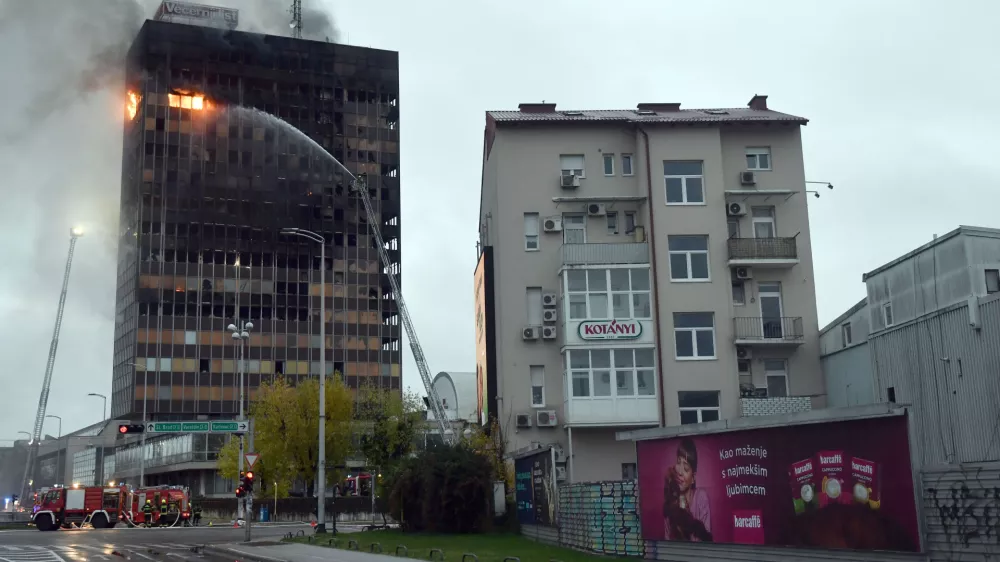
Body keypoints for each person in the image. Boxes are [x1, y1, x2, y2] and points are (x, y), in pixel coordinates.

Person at [663, 438, 713, 542]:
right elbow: (667, 540)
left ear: (693, 478)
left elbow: (706, 540)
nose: (680, 472)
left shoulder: (701, 497)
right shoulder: (670, 500)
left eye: (686, 468)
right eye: (678, 462)